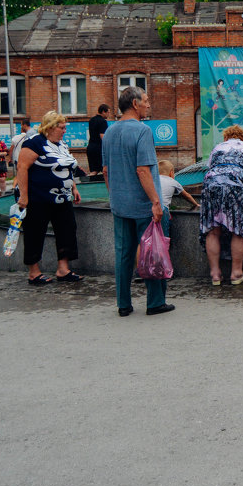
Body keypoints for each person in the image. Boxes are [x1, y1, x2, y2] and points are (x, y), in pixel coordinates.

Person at [103, 86, 172, 316]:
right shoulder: (142, 131)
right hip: (143, 205)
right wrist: (155, 202)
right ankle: (154, 302)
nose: (149, 104)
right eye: (146, 100)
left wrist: (115, 194)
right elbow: (143, 170)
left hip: (120, 204)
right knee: (151, 251)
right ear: (135, 104)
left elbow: (105, 170)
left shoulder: (110, 132)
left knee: (123, 254)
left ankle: (123, 304)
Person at [15, 111, 83, 286]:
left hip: (62, 198)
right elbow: (22, 168)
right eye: (62, 127)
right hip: (38, 198)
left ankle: (63, 269)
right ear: (51, 127)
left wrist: (74, 187)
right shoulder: (34, 143)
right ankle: (34, 273)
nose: (65, 130)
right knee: (35, 233)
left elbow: (68, 167)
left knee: (67, 230)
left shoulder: (61, 144)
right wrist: (23, 196)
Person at [200, 125, 243, 286]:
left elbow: (212, 169)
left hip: (211, 185)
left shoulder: (218, 148)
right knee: (238, 230)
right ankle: (236, 273)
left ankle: (215, 274)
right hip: (236, 186)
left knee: (213, 230)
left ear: (226, 138)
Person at [158, 159, 199, 238]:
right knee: (163, 234)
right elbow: (187, 196)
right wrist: (196, 204)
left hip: (149, 208)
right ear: (171, 173)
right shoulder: (173, 182)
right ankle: (164, 248)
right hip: (163, 210)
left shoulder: (154, 180)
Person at [86, 104, 110, 176]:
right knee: (104, 171)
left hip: (90, 147)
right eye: (108, 112)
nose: (109, 114)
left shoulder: (91, 120)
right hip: (99, 149)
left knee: (93, 171)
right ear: (103, 112)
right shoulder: (103, 121)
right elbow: (103, 136)